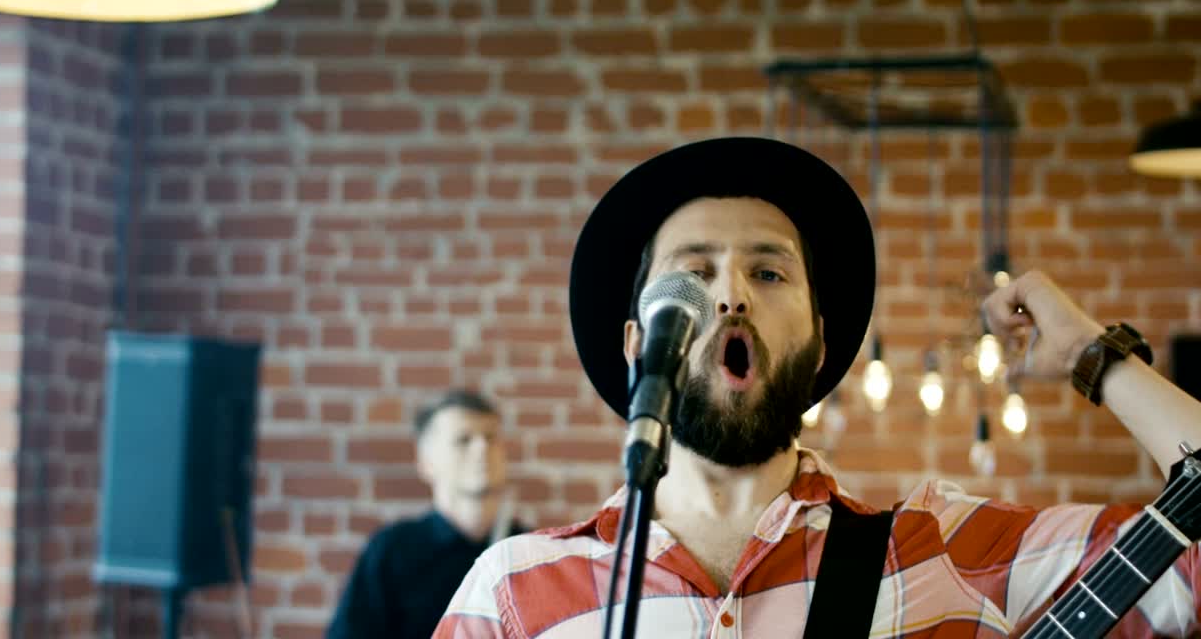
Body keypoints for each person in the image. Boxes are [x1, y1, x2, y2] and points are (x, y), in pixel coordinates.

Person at [434, 136, 1201, 637]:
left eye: (768, 272)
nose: (730, 294)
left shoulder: (947, 550)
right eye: (693, 276)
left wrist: (1095, 358)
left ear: (820, 344)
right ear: (638, 346)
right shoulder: (513, 592)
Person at [325, 389, 526, 639]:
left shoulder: (525, 551)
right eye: (463, 440)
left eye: (490, 437)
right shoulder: (391, 551)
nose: (482, 448)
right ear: (426, 463)